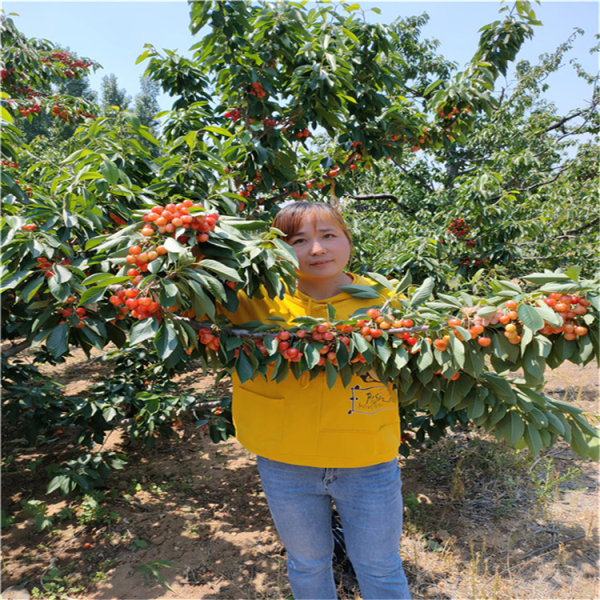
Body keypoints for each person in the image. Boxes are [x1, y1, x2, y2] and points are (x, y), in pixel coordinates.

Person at [219, 201, 411, 599]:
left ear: (348, 240)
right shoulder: (255, 301)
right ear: (275, 251)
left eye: (328, 236)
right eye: (298, 241)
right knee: (307, 563)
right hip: (285, 462)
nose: (317, 249)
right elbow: (180, 303)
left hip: (367, 460)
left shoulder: (386, 302)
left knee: (379, 564)